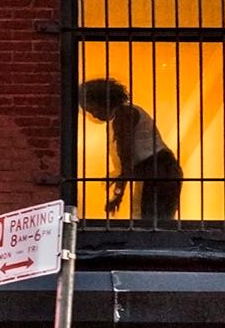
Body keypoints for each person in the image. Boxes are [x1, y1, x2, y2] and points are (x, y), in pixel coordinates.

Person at [78, 77, 183, 226]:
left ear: (103, 101)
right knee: (155, 221)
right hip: (160, 171)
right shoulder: (123, 114)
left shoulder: (123, 115)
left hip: (158, 172)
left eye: (92, 109)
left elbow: (126, 157)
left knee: (149, 222)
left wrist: (118, 194)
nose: (93, 115)